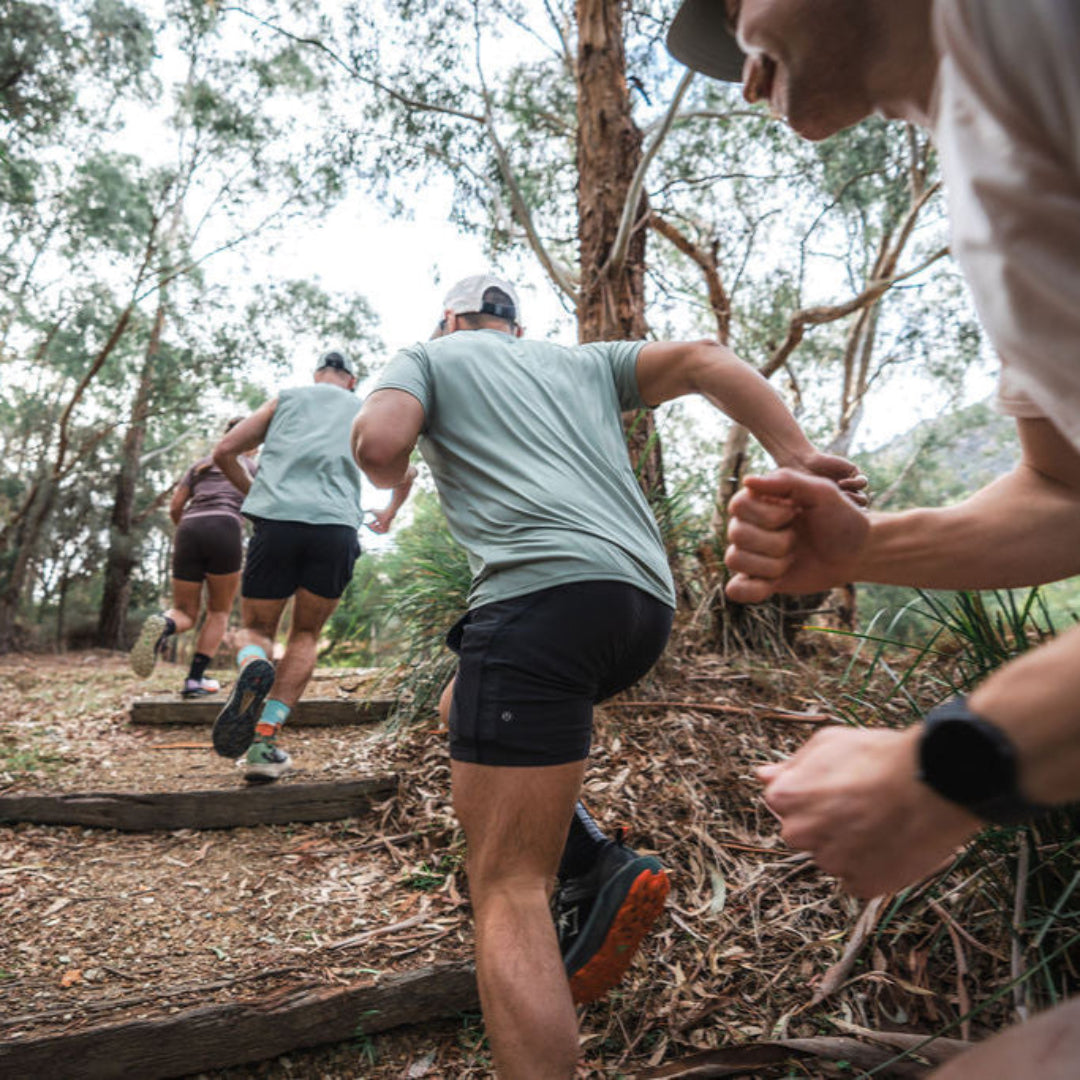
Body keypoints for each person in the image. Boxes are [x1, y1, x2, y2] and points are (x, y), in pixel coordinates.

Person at [667, 1, 1080, 1076]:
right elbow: (1064, 490)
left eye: (732, 12)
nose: (740, 73)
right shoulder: (981, 149)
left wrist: (952, 763)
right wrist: (860, 549)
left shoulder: (1032, 36)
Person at [351, 273, 865, 1079]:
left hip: (537, 600)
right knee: (464, 702)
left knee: (510, 887)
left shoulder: (426, 356)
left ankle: (570, 886)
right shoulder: (581, 363)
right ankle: (592, 856)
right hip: (639, 608)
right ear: (514, 329)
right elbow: (702, 356)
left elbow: (380, 449)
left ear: (449, 318)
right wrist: (798, 456)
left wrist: (387, 483)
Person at [210, 349, 415, 783]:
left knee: (256, 631)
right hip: (335, 529)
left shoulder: (286, 398)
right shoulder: (365, 409)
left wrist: (257, 494)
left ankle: (251, 665)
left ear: (317, 374)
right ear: (352, 380)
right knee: (305, 634)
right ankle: (264, 743)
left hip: (277, 524)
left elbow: (225, 450)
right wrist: (390, 512)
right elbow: (405, 474)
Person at [130, 418, 257, 697]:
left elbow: (176, 506)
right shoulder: (251, 467)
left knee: (184, 611)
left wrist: (190, 532)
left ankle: (163, 624)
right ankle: (194, 681)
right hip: (225, 526)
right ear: (252, 443)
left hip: (189, 527)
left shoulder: (200, 465)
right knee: (219, 611)